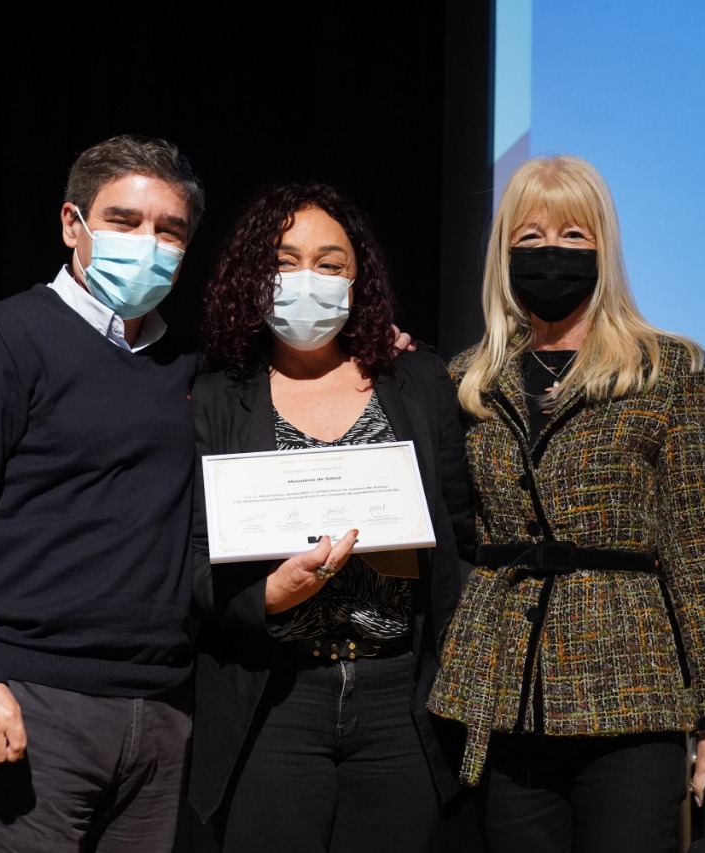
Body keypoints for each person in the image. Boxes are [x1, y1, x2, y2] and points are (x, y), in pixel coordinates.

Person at [427, 155, 705, 853]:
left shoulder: (665, 369)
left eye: (574, 236)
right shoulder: (465, 380)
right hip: (504, 691)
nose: (552, 252)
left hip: (631, 689)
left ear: (604, 248)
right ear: (504, 251)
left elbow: (695, 544)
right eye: (531, 236)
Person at [0, 135, 204, 851]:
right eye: (123, 221)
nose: (147, 244)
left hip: (161, 716)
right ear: (72, 223)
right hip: (26, 703)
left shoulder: (191, 364)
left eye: (169, 230)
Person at [187, 181, 476, 853]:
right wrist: (266, 597)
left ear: (357, 279)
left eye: (329, 263)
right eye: (284, 262)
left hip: (400, 702)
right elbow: (190, 559)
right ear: (253, 278)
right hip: (275, 697)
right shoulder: (216, 397)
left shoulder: (417, 381)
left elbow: (461, 535)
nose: (306, 280)